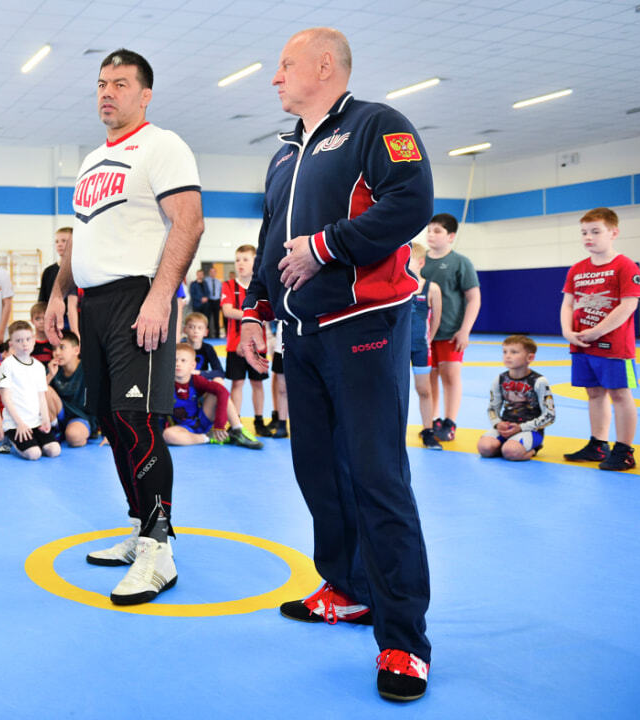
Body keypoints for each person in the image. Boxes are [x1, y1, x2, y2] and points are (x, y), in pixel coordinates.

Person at [237, 28, 433, 702]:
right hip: (302, 334)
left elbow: (410, 202)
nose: (274, 78)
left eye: (284, 65)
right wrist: (257, 309)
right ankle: (347, 589)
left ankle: (404, 639)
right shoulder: (285, 153)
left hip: (366, 326)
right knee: (318, 471)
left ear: (325, 67)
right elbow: (268, 237)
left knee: (378, 476)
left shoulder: (378, 125)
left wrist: (325, 247)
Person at [42, 49, 204, 606]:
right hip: (95, 304)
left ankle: (160, 549)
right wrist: (60, 290)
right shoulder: (91, 159)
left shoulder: (163, 145)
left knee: (139, 420)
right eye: (101, 84)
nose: (107, 92)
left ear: (144, 94)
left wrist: (161, 299)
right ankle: (142, 532)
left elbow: (189, 221)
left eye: (120, 84)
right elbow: (83, 237)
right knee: (112, 419)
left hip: (140, 298)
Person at [560, 207, 640, 471]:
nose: (588, 237)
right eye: (584, 232)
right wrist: (566, 331)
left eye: (596, 231)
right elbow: (567, 304)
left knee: (620, 393)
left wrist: (598, 330)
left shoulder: (624, 265)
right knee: (594, 392)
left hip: (614, 345)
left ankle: (624, 450)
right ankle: (598, 444)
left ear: (613, 233)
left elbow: (628, 305)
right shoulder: (577, 269)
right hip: (582, 344)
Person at [421, 213, 479, 442]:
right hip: (425, 333)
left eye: (438, 231)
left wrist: (465, 329)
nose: (431, 234)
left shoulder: (460, 262)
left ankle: (450, 421)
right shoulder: (420, 262)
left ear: (451, 236)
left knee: (450, 375)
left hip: (450, 330)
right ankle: (433, 419)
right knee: (430, 377)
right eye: (429, 230)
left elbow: (474, 298)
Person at [165, 343, 261, 448]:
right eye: (175, 360)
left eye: (183, 361)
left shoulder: (196, 380)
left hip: (202, 419)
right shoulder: (166, 383)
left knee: (218, 390)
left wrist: (219, 425)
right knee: (168, 435)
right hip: (183, 428)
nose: (178, 364)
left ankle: (237, 430)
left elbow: (223, 392)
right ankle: (208, 438)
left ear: (192, 365)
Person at [477, 335, 555, 462]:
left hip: (530, 429)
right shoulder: (500, 379)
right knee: (484, 448)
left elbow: (550, 415)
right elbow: (492, 408)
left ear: (530, 358)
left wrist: (521, 427)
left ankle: (532, 449)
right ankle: (507, 445)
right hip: (506, 426)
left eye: (514, 352)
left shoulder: (539, 381)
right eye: (505, 352)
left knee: (511, 452)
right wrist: (497, 423)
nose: (507, 356)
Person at [221, 245, 268, 432]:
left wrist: (249, 314)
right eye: (238, 259)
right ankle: (236, 423)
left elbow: (268, 312)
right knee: (237, 383)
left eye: (245, 259)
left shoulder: (262, 287)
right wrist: (252, 314)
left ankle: (259, 421)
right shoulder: (229, 285)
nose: (240, 263)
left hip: (259, 346)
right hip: (234, 345)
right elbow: (227, 311)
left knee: (257, 383)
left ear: (255, 262)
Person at [0, 321, 60, 461]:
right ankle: (10, 438)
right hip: (16, 423)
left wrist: (45, 419)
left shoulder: (38, 367)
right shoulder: (7, 364)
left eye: (27, 339)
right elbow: (5, 397)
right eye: (19, 340)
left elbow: (41, 396)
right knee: (34, 454)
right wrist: (19, 423)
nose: (24, 344)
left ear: (33, 340)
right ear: (11, 344)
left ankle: (34, 439)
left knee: (54, 450)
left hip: (36, 421)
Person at [408, 242, 442, 450]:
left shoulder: (432, 288)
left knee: (424, 389)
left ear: (420, 262)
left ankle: (428, 431)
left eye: (408, 260)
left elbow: (436, 318)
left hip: (420, 346)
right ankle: (393, 431)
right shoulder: (397, 287)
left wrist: (429, 339)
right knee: (397, 390)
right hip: (398, 349)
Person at [46, 330, 93, 447]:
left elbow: (105, 397)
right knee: (45, 389)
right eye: (54, 349)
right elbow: (37, 393)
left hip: (80, 417)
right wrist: (50, 375)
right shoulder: (53, 368)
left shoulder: (88, 368)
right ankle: (56, 430)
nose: (57, 353)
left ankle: (79, 433)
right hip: (59, 416)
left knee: (74, 436)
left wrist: (110, 433)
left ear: (76, 350)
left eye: (62, 347)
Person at [181, 312, 223, 379]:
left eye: (200, 328)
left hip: (199, 381)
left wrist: (199, 373)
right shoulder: (181, 347)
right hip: (181, 381)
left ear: (205, 332)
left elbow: (220, 372)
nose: (196, 331)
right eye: (191, 327)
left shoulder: (208, 349)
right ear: (185, 330)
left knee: (219, 380)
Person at [204, 265, 223, 338]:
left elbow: (221, 292)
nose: (213, 273)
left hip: (217, 301)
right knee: (207, 318)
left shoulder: (219, 282)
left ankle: (217, 335)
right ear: (209, 273)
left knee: (216, 319)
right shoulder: (205, 281)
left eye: (214, 272)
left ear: (216, 273)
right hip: (209, 301)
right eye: (211, 272)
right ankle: (207, 335)